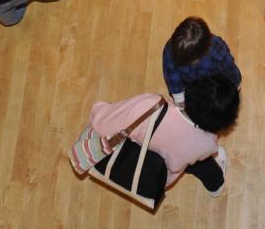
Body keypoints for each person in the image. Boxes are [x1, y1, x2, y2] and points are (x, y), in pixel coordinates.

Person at [82, 74, 239, 197]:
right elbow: (176, 166)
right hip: (159, 173)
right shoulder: (207, 144)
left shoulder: (151, 105)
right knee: (197, 163)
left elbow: (103, 123)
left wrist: (99, 109)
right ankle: (215, 185)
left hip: (130, 157)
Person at [162, 16, 242, 106]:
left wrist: (235, 84)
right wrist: (179, 97)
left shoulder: (217, 52)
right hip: (188, 85)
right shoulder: (171, 48)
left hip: (211, 82)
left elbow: (229, 68)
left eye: (187, 63)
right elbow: (171, 73)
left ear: (201, 55)